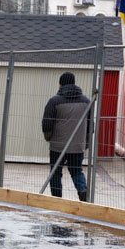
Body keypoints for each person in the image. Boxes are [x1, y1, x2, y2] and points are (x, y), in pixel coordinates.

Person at [41, 72, 92, 201]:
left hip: (58, 146)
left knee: (55, 173)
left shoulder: (54, 101)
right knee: (76, 171)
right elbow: (91, 125)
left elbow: (46, 123)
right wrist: (86, 142)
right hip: (77, 146)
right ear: (74, 83)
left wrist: (49, 137)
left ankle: (57, 200)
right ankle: (83, 193)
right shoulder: (86, 101)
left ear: (60, 84)